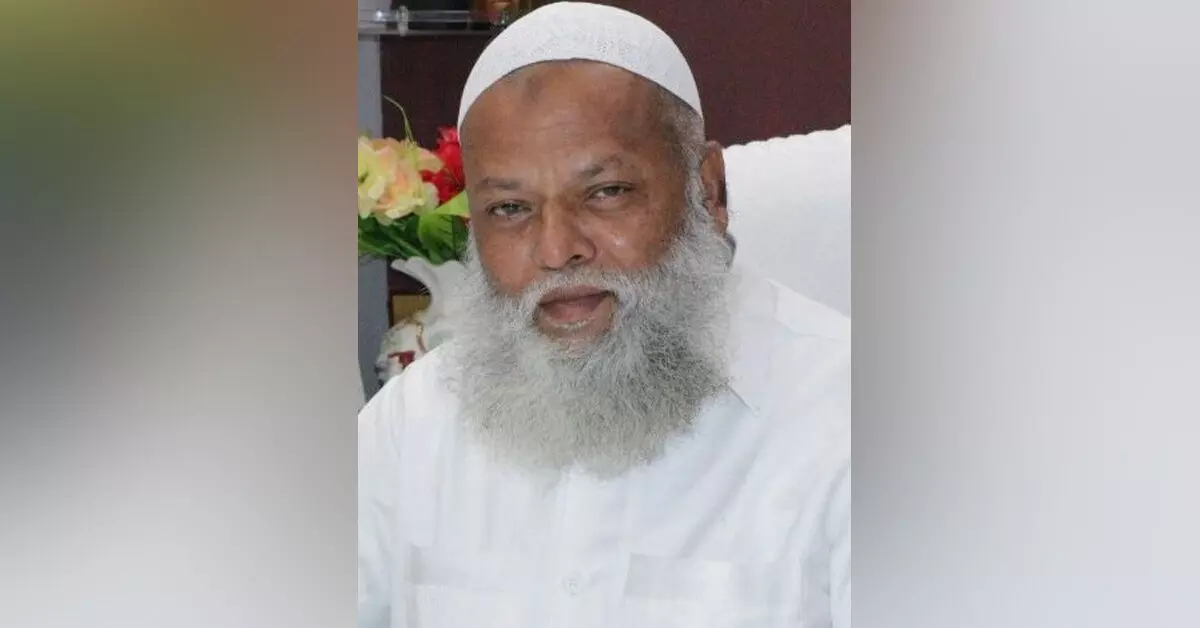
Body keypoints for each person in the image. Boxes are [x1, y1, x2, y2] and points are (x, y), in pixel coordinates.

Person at [358, 3, 850, 627]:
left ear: (708, 191)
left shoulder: (848, 421)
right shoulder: (412, 424)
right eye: (510, 208)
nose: (557, 249)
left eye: (606, 193)